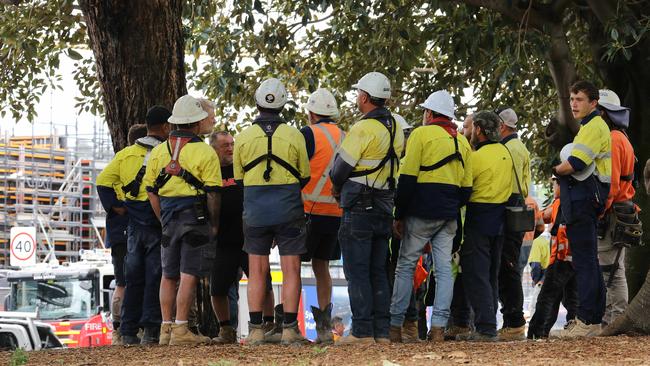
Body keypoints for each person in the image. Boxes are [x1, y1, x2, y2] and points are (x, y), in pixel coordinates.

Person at [233, 78, 311, 345]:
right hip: (288, 206)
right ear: (283, 104)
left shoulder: (242, 137)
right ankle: (289, 328)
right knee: (291, 269)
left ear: (256, 103)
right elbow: (304, 175)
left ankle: (255, 330)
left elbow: (239, 179)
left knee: (257, 270)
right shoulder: (295, 135)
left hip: (255, 209)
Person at [389, 90, 472, 343]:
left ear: (430, 113)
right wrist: (449, 208)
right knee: (444, 270)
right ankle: (438, 328)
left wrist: (399, 214)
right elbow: (466, 189)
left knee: (405, 266)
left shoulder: (421, 135)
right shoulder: (462, 142)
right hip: (448, 216)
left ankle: (394, 326)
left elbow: (408, 178)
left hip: (421, 212)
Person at [329, 71, 404, 344]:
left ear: (363, 97)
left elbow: (340, 170)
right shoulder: (395, 127)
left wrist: (336, 187)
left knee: (357, 271)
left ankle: (362, 331)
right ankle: (381, 332)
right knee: (378, 270)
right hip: (384, 205)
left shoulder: (362, 128)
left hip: (359, 207)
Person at [143, 95, 222, 345]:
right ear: (197, 123)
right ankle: (181, 329)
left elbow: (150, 190)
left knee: (168, 274)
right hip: (195, 215)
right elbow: (213, 193)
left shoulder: (157, 152)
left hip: (167, 214)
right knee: (189, 272)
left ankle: (166, 329)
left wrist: (161, 218)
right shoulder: (205, 152)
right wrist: (214, 223)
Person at [97, 106, 171, 345]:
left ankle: (128, 330)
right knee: (155, 275)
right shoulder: (167, 152)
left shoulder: (126, 154)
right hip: (155, 217)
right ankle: (151, 329)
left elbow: (103, 181)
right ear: (166, 127)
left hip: (133, 222)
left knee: (133, 277)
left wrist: (116, 206)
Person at [552, 80, 611, 338]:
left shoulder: (592, 127)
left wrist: (555, 170)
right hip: (590, 198)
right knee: (590, 262)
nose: (573, 104)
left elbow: (574, 163)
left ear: (593, 103)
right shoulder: (592, 126)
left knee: (585, 262)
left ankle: (586, 320)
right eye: (572, 99)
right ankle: (593, 320)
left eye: (579, 99)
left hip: (583, 198)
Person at [208, 131, 275, 343]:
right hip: (223, 241)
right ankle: (226, 330)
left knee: (264, 284)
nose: (230, 148)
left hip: (251, 238)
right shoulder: (210, 172)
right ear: (214, 149)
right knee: (217, 288)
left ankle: (269, 325)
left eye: (232, 144)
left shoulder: (244, 169)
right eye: (225, 145)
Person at [458, 110, 513, 341]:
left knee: (476, 273)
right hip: (500, 220)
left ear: (479, 130)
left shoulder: (476, 157)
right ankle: (488, 324)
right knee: (490, 274)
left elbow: (465, 188)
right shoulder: (505, 152)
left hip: (478, 217)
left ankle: (486, 328)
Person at [299, 88, 345, 344]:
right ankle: (324, 329)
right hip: (336, 213)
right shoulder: (345, 135)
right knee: (322, 267)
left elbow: (297, 170)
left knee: (293, 265)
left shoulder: (308, 134)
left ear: (312, 113)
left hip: (309, 212)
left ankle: (289, 325)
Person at [596, 89, 637, 326]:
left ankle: (614, 320)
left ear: (603, 113)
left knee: (611, 269)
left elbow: (611, 183)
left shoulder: (612, 139)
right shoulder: (622, 137)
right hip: (623, 208)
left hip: (614, 209)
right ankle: (613, 318)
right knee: (614, 266)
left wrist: (602, 210)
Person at [496, 107, 532, 341]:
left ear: (502, 126)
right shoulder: (521, 148)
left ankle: (514, 321)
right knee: (508, 265)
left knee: (507, 267)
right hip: (517, 206)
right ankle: (512, 321)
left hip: (507, 206)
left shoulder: (507, 149)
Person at [527, 177, 578, 339]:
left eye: (555, 184)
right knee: (572, 296)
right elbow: (544, 216)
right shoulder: (577, 201)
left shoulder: (562, 204)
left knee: (547, 296)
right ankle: (573, 327)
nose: (553, 187)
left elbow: (544, 220)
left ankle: (536, 332)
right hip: (577, 258)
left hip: (562, 256)